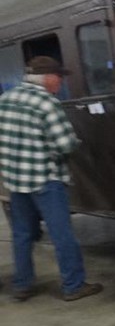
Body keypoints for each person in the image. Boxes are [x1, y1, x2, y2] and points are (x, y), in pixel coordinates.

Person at [0, 56, 103, 302]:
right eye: (59, 77)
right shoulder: (46, 103)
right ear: (48, 78)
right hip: (45, 179)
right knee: (61, 234)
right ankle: (73, 285)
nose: (61, 81)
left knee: (22, 233)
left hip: (16, 179)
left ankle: (22, 285)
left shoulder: (6, 100)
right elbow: (65, 144)